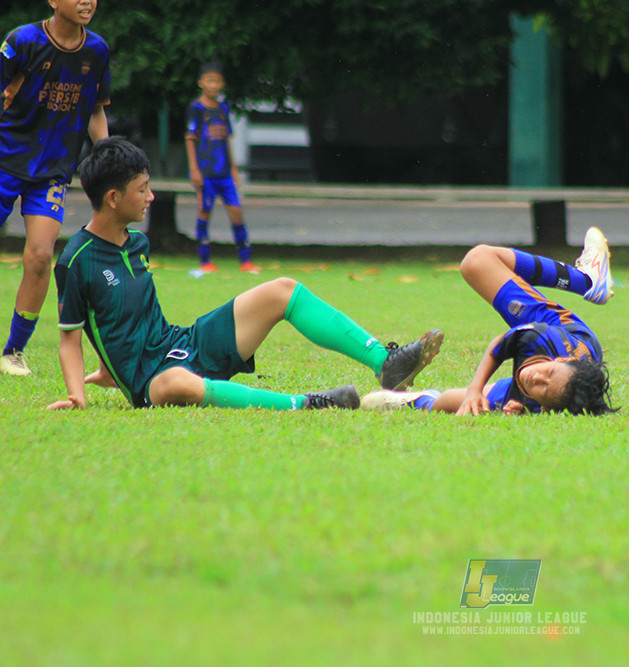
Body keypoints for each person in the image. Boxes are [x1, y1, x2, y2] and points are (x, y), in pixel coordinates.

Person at [47, 137, 443, 411]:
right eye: (142, 189)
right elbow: (70, 338)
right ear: (113, 199)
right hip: (154, 380)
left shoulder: (136, 243)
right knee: (178, 384)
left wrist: (106, 371)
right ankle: (308, 404)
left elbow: (128, 323)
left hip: (183, 344)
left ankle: (384, 362)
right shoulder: (76, 259)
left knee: (283, 290)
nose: (151, 197)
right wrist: (79, 392)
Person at [360, 230, 617, 416]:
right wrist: (475, 388)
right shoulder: (537, 338)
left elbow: (547, 397)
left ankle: (412, 401)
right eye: (547, 373)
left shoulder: (551, 398)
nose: (536, 376)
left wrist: (520, 409)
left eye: (543, 388)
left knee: (454, 403)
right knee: (477, 261)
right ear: (560, 361)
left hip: (562, 386)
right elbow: (499, 346)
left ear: (547, 407)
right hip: (559, 326)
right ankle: (586, 281)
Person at [0, 0, 111, 376]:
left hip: (52, 172)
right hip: (4, 160)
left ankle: (12, 351)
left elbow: (96, 109)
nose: (86, 1)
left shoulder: (96, 50)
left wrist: (108, 155)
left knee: (40, 256)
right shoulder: (22, 41)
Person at [184, 61, 260, 274]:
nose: (213, 85)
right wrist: (194, 169)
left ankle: (246, 262)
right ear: (201, 82)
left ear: (222, 84)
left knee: (236, 211)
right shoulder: (196, 109)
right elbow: (190, 139)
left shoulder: (223, 109)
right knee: (204, 211)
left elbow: (226, 139)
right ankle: (204, 261)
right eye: (209, 80)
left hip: (224, 172)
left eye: (217, 81)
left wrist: (234, 168)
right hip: (206, 172)